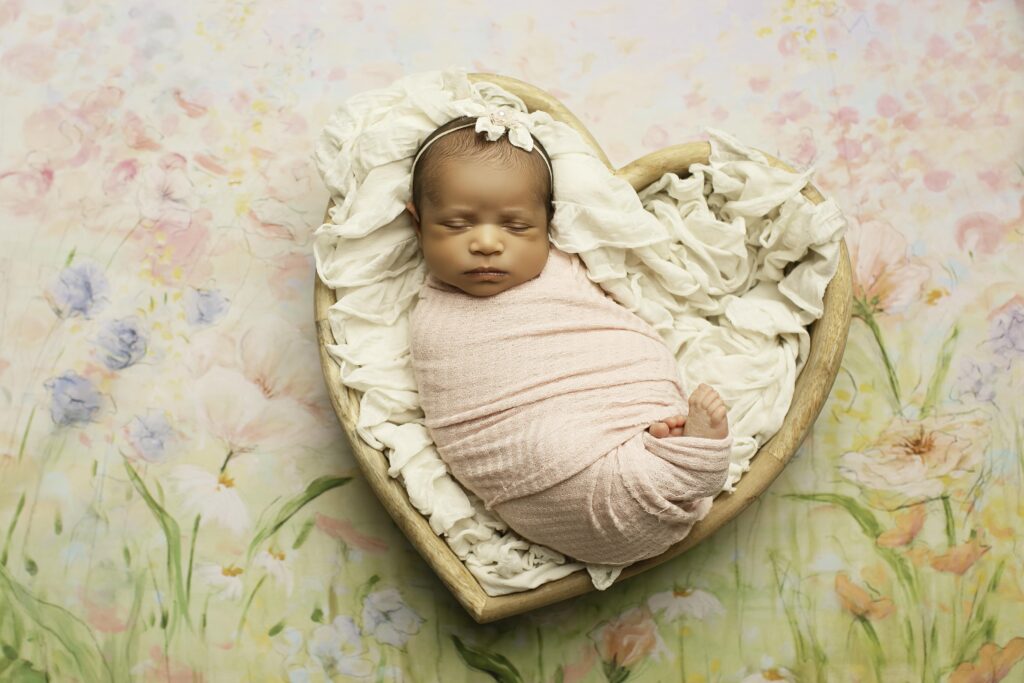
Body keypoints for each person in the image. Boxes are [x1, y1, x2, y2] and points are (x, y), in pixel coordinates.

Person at [406, 111, 732, 565]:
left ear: (549, 223)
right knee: (549, 447)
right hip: (545, 474)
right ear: (417, 221)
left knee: (614, 452)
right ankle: (690, 462)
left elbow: (609, 325)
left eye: (516, 227)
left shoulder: (570, 268)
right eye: (457, 225)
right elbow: (463, 412)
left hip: (613, 417)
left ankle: (670, 457)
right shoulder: (434, 323)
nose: (485, 243)